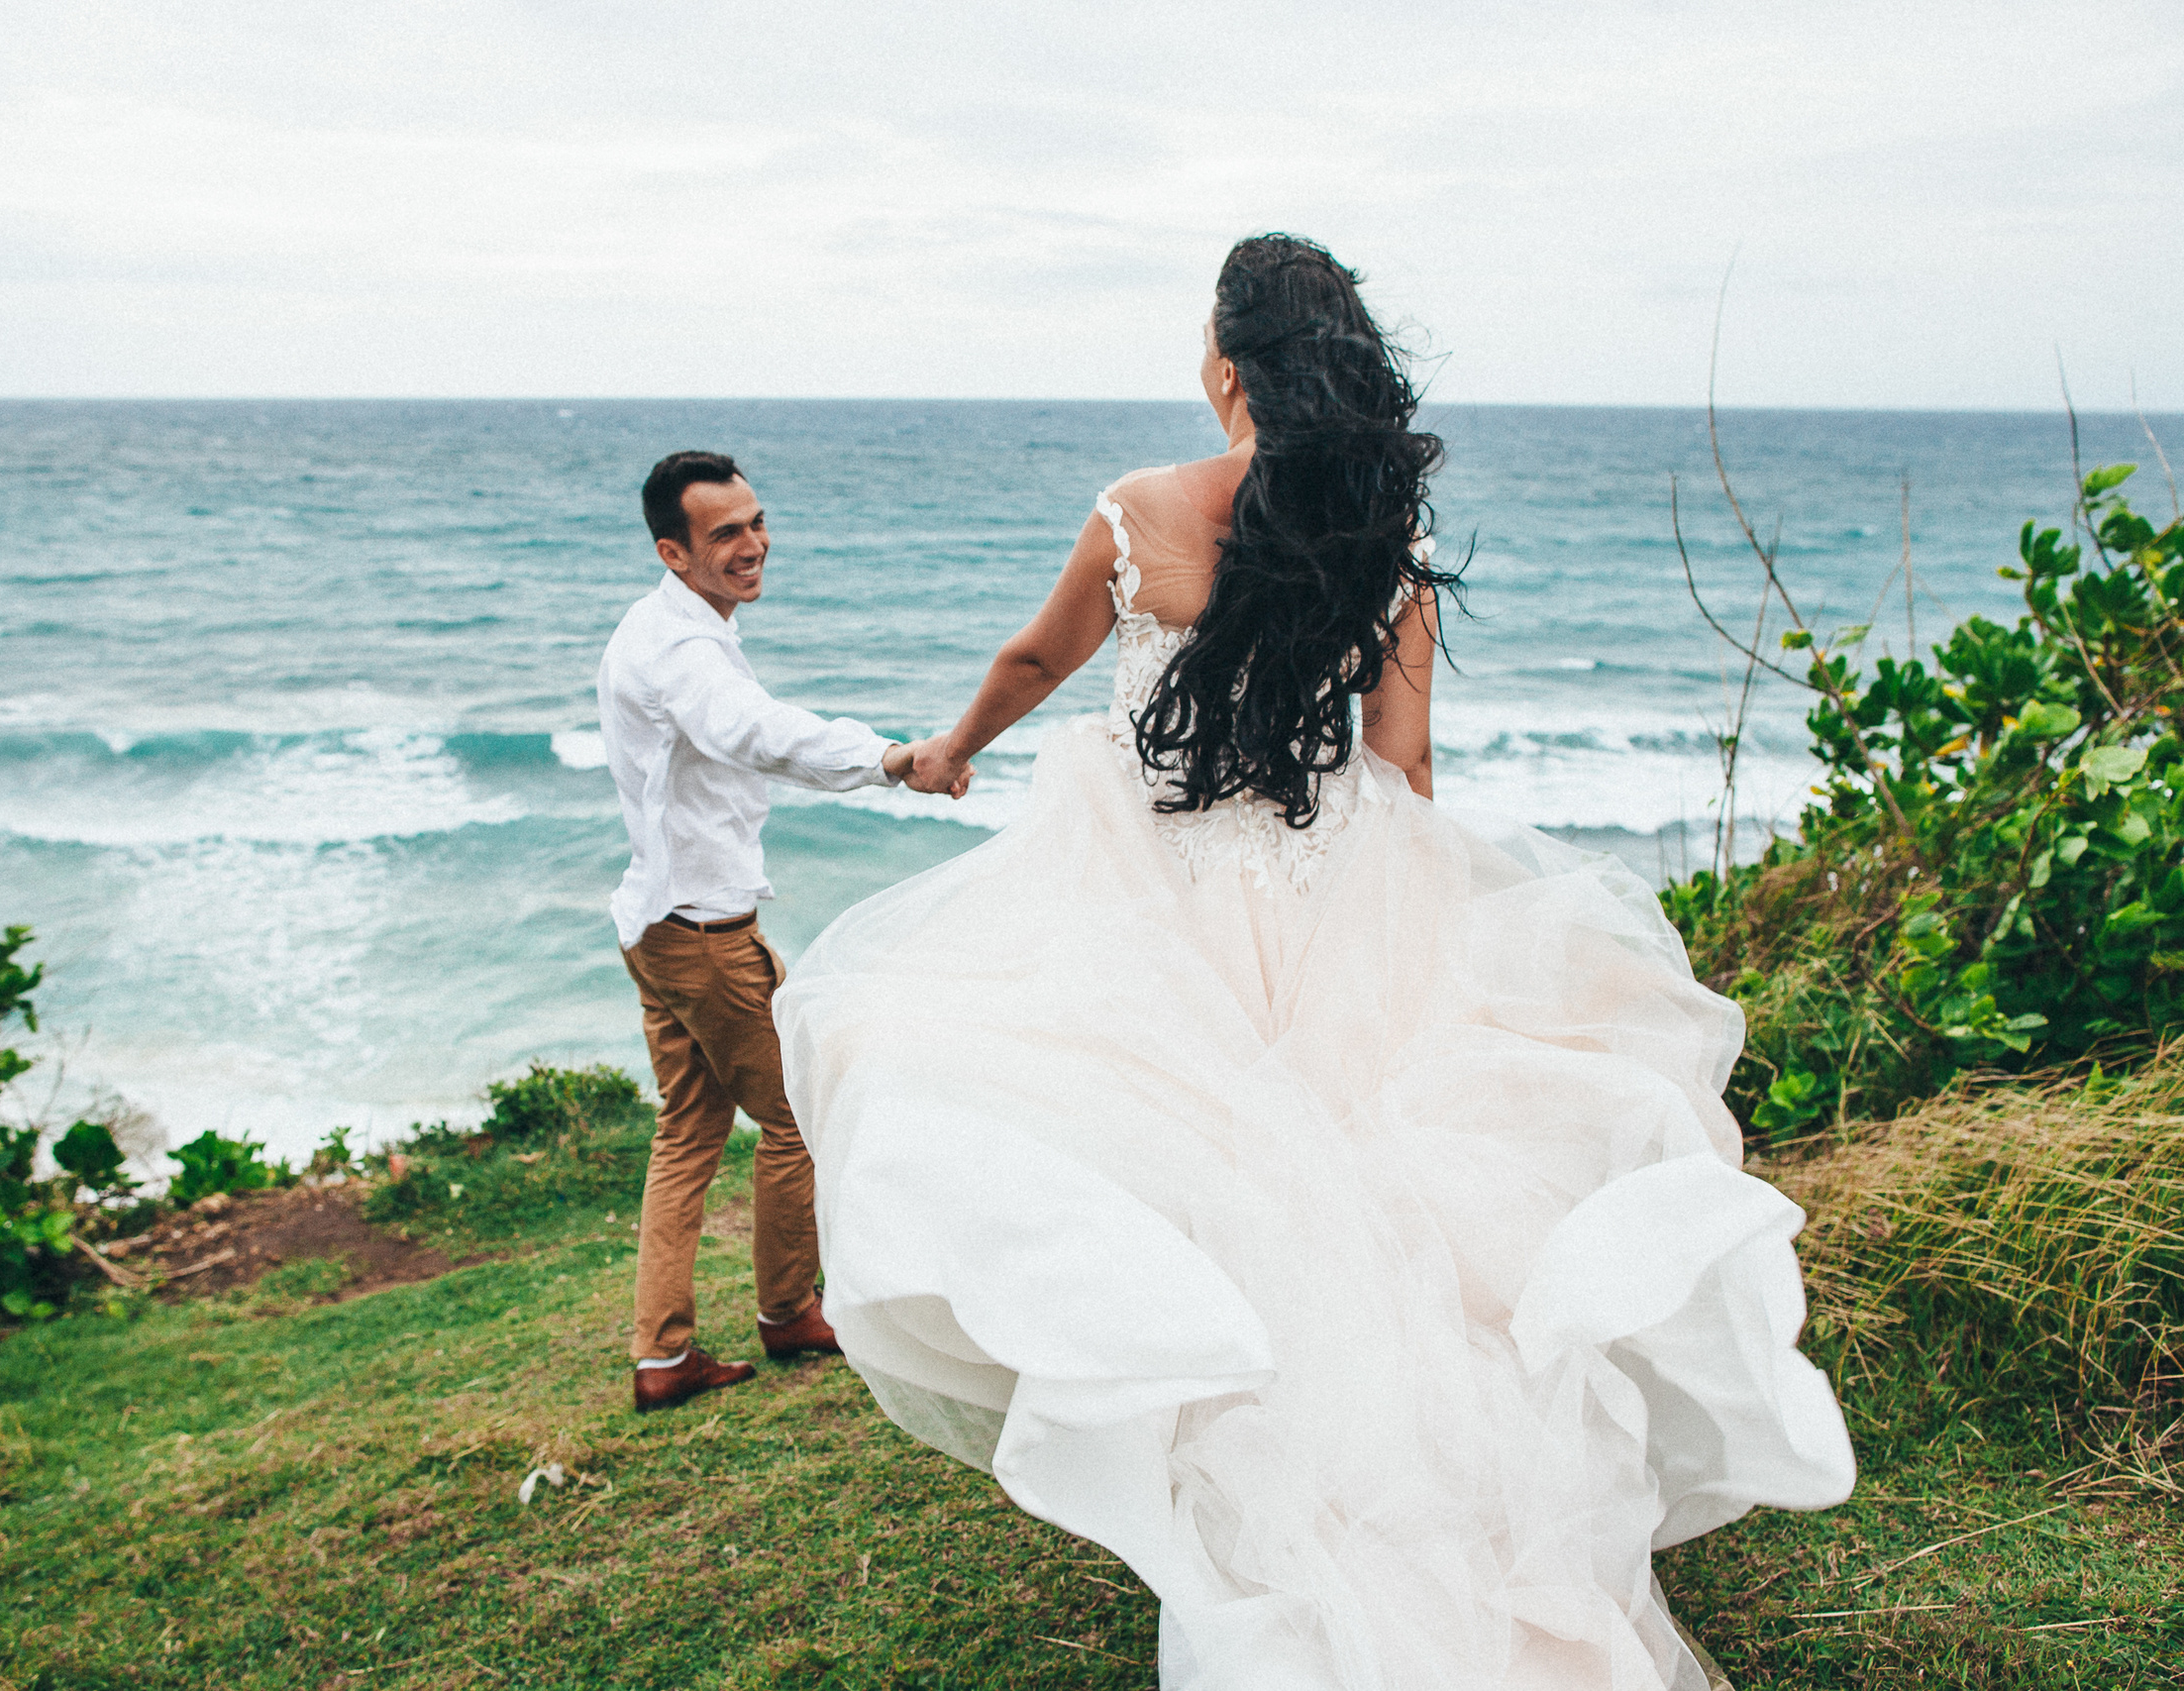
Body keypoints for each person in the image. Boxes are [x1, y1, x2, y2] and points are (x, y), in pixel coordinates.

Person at [774, 239, 1854, 1687]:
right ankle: (1401, 1486)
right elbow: (1401, 767)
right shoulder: (1383, 546)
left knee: (1169, 1173)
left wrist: (952, 748)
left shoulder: (1141, 509)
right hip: (1327, 887)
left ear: (1226, 361)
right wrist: (1386, 903)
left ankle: (1248, 1480)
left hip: (1156, 895)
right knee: (1364, 1199)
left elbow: (1039, 660)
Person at [597, 450, 959, 1414]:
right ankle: (790, 1310)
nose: (752, 545)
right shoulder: (679, 652)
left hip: (660, 922)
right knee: (797, 1108)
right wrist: (888, 759)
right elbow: (753, 732)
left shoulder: (671, 624)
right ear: (673, 552)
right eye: (724, 534)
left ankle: (663, 1358)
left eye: (755, 521)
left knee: (686, 1132)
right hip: (704, 938)